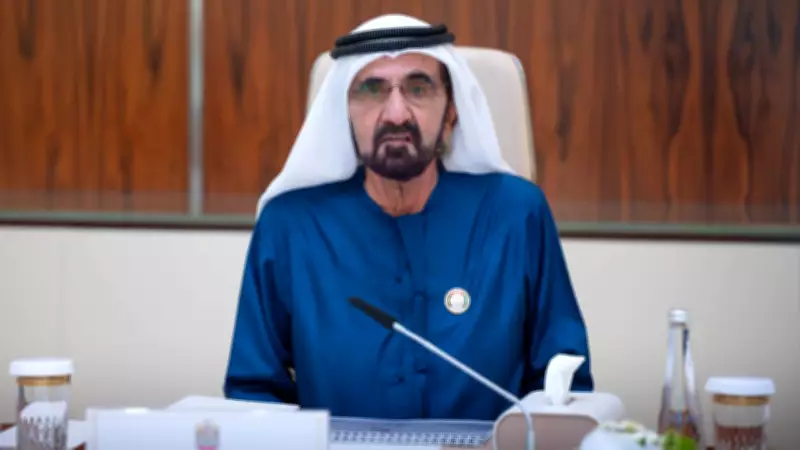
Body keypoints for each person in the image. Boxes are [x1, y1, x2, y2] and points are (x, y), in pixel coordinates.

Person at [223, 13, 594, 421]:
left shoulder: (515, 215)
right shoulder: (290, 227)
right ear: (344, 114)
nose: (396, 114)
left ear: (451, 113)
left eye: (418, 89)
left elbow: (562, 386)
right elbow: (253, 394)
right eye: (372, 90)